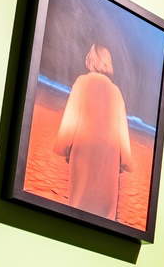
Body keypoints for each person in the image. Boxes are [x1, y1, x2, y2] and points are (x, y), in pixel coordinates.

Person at [50, 44, 132, 218]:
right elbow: (122, 130)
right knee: (105, 208)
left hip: (84, 151)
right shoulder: (116, 92)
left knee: (79, 199)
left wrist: (65, 147)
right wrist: (124, 160)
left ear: (92, 59)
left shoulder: (82, 82)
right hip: (109, 155)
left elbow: (72, 115)